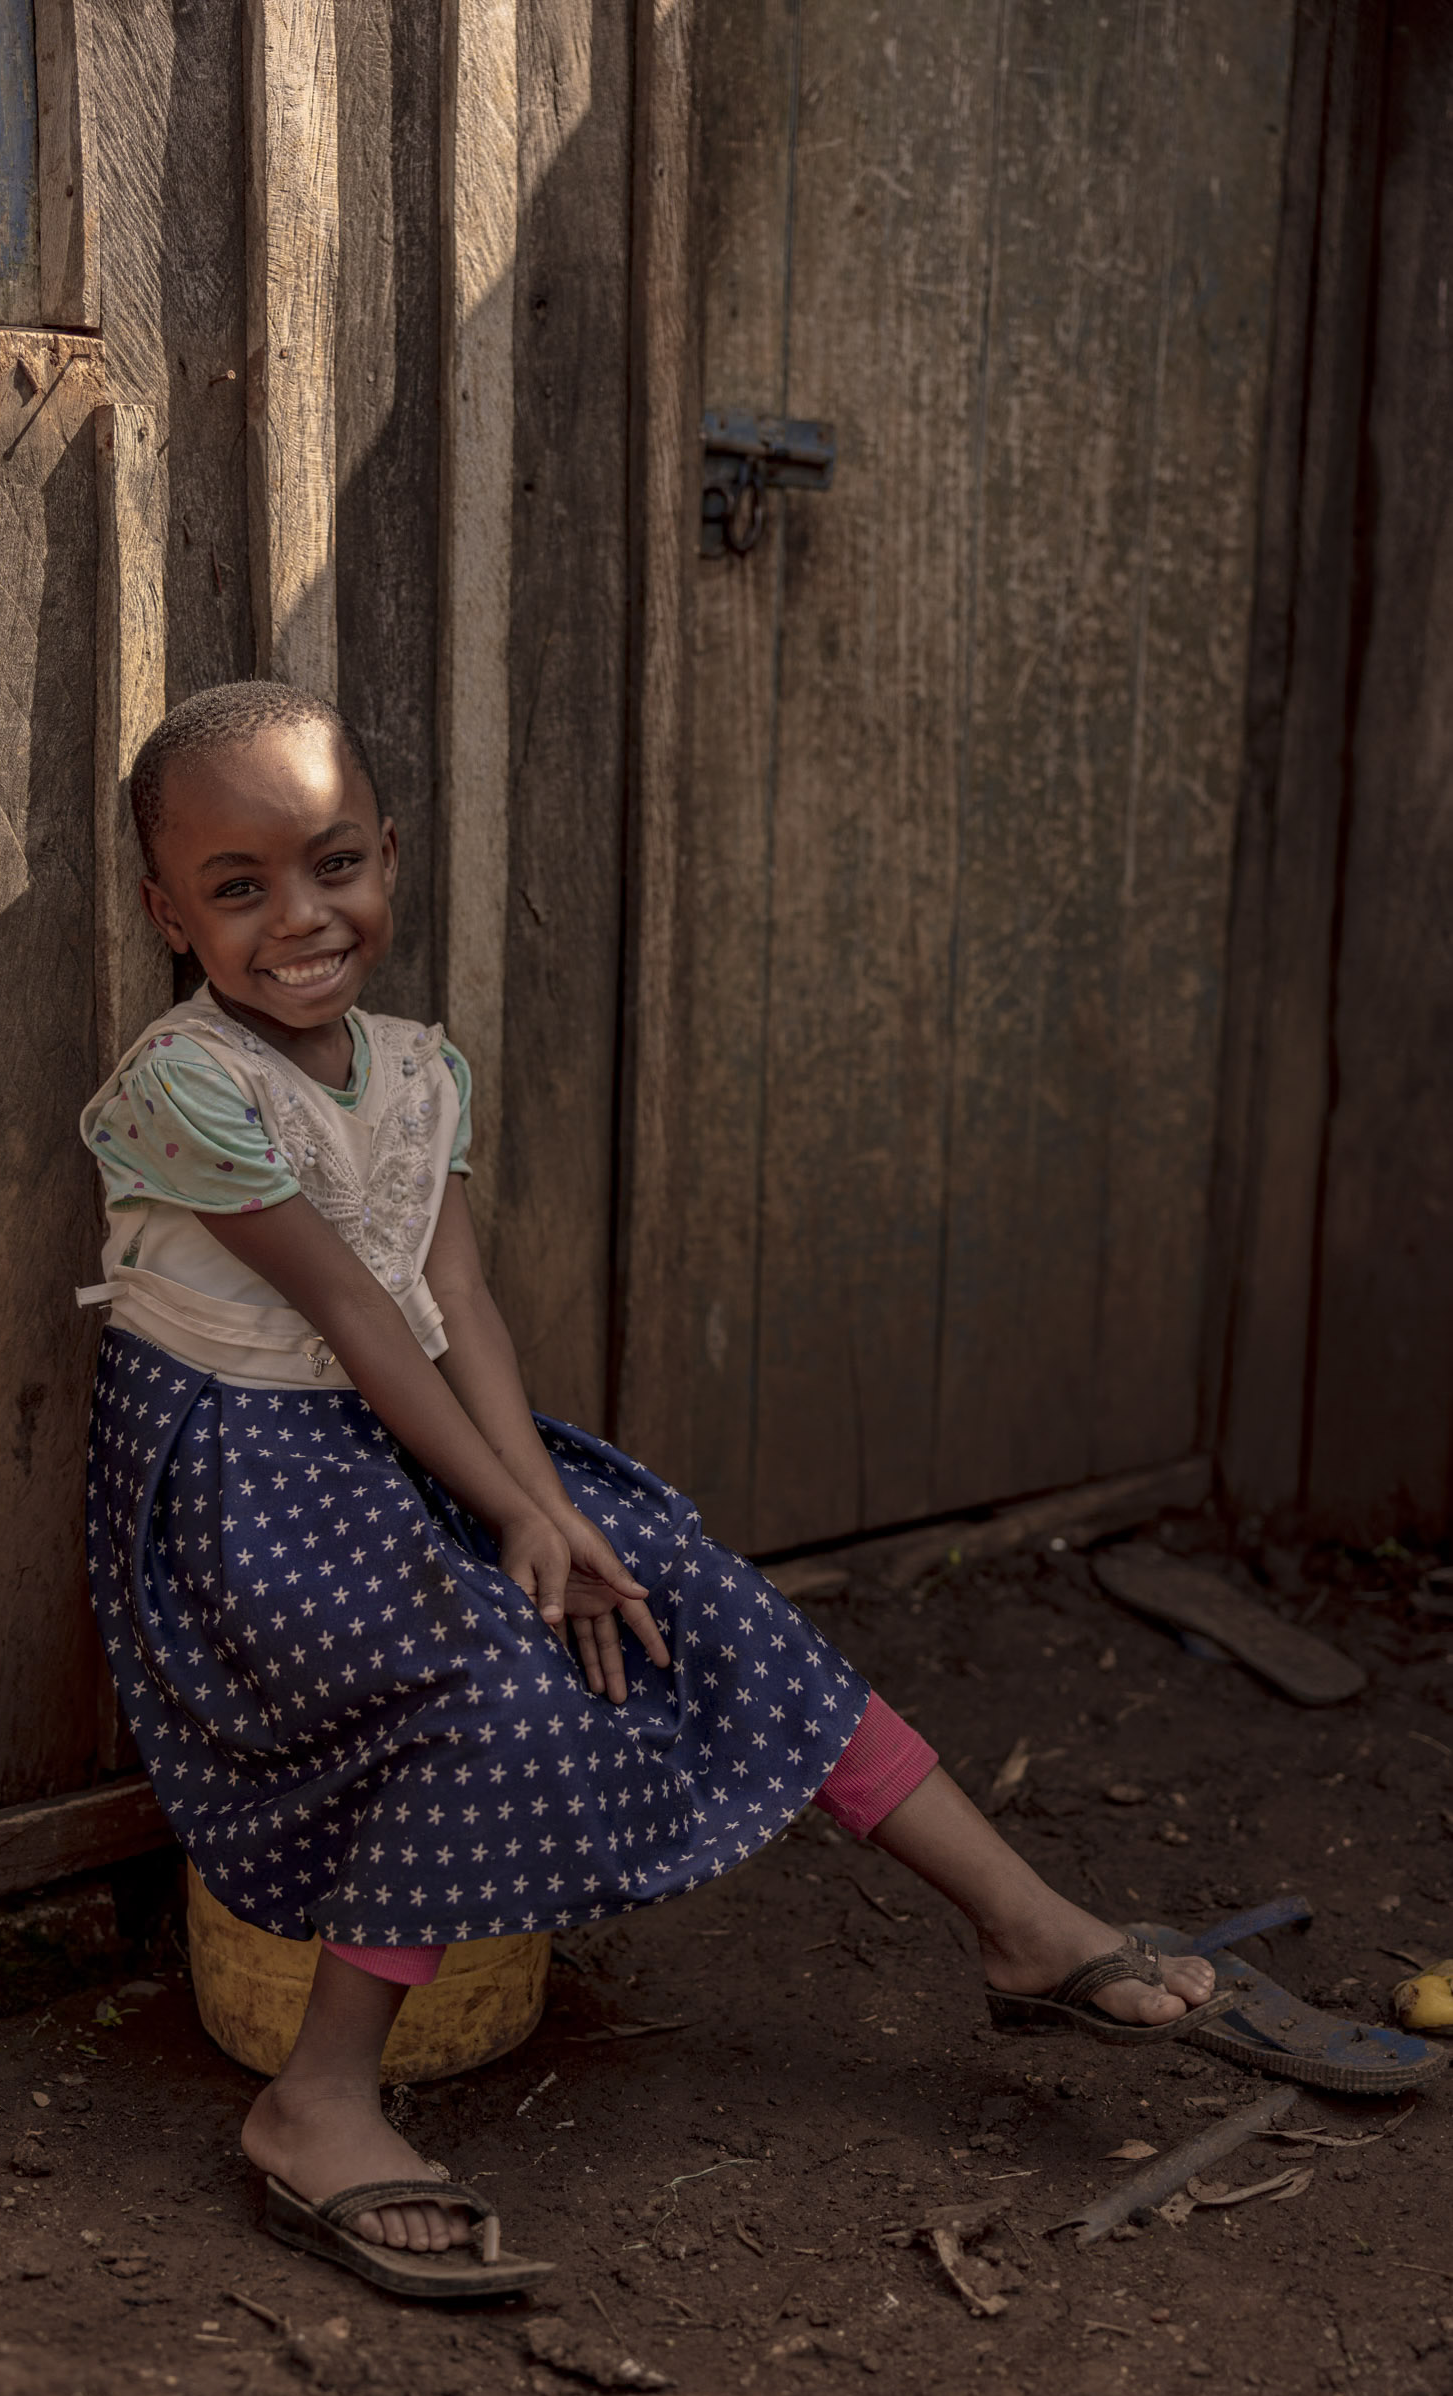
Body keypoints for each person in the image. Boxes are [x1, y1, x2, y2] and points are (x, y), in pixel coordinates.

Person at [80, 682, 1226, 2301]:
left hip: (400, 1442)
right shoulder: (186, 1084)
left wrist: (555, 1509)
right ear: (166, 909)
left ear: (391, 856)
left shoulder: (419, 1069)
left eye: (334, 865)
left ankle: (1023, 1923)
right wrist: (521, 1521)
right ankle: (316, 2100)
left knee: (680, 1577)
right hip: (247, 1481)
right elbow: (350, 1322)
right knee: (486, 1691)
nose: (300, 918)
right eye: (237, 888)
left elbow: (456, 1307)